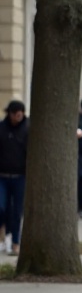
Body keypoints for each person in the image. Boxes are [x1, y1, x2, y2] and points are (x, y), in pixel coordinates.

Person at [0, 100, 29, 256]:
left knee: (17, 210)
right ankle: (2, 235)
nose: (19, 117)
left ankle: (16, 242)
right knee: (1, 206)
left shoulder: (28, 128)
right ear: (10, 114)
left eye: (21, 114)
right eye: (16, 114)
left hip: (20, 176)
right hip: (2, 176)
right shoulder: (2, 128)